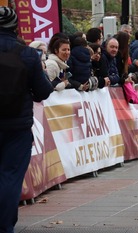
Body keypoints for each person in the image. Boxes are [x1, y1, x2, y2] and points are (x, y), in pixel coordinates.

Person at [0, 6, 54, 233]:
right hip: (17, 126)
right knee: (10, 177)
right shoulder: (28, 54)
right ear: (16, 27)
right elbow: (42, 91)